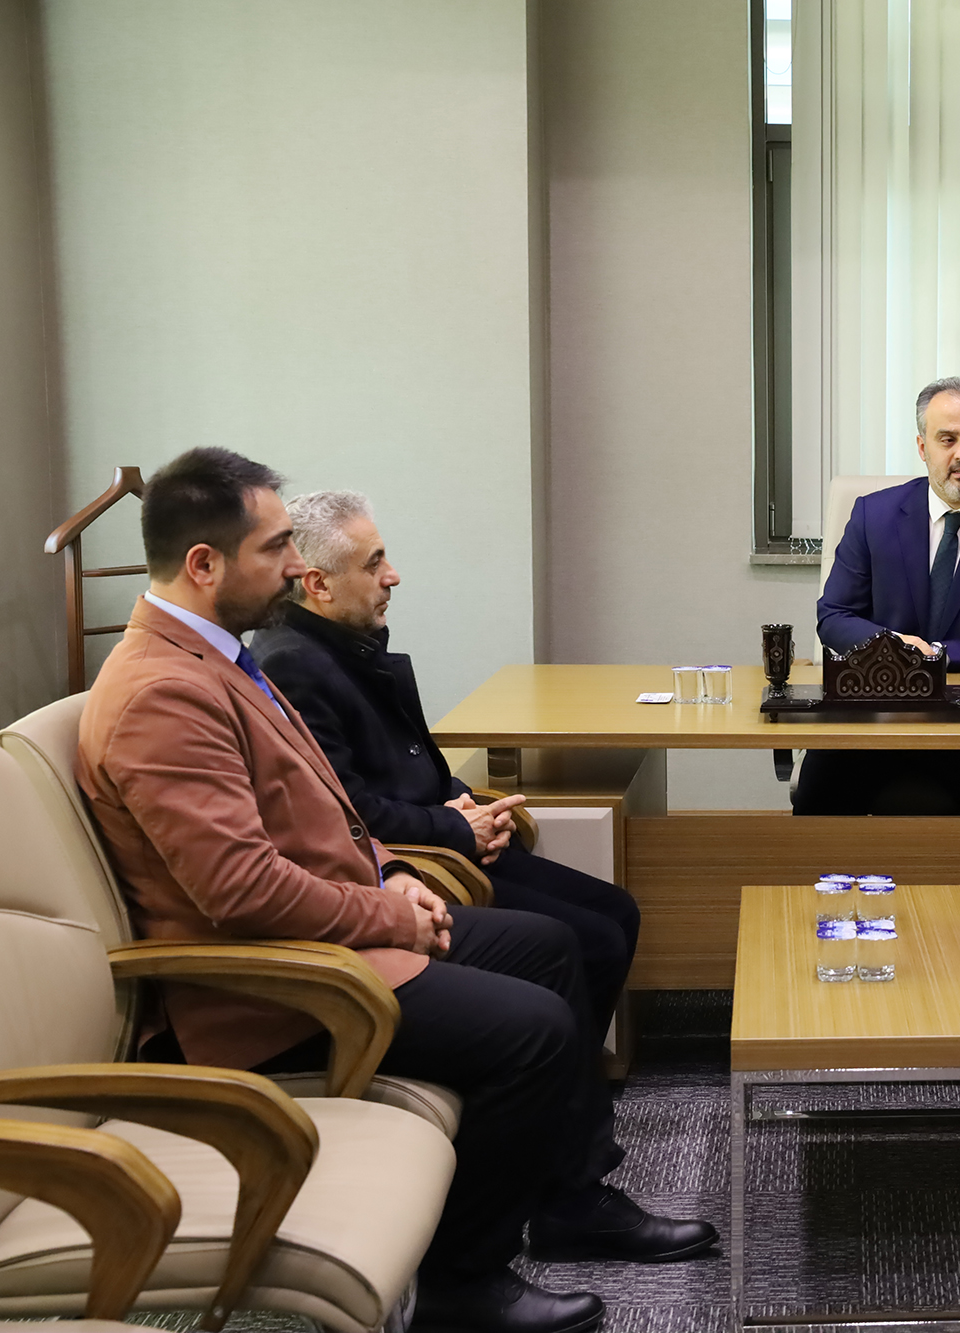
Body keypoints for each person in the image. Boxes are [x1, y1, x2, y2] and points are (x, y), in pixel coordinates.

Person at [76, 449, 715, 1333]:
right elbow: (238, 890)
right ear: (204, 564)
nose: (293, 568)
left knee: (554, 945)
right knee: (532, 1029)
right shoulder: (161, 692)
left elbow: (325, 809)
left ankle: (567, 1199)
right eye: (275, 549)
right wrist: (387, 908)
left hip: (334, 926)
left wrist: (394, 871)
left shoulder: (218, 660)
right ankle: (460, 1283)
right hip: (275, 983)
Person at [249, 490, 640, 1043]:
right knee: (592, 939)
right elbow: (347, 812)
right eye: (374, 564)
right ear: (318, 584)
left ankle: (571, 1075)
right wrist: (458, 826)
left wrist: (468, 805)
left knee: (617, 912)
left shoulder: (346, 643)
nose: (393, 577)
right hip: (416, 859)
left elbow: (412, 762)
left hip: (441, 834)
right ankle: (565, 1078)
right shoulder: (293, 665)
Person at [798, 375, 960, 815]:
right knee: (815, 814)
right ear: (923, 447)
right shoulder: (874, 515)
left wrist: (934, 654)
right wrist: (895, 649)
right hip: (873, 710)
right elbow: (835, 615)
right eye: (948, 439)